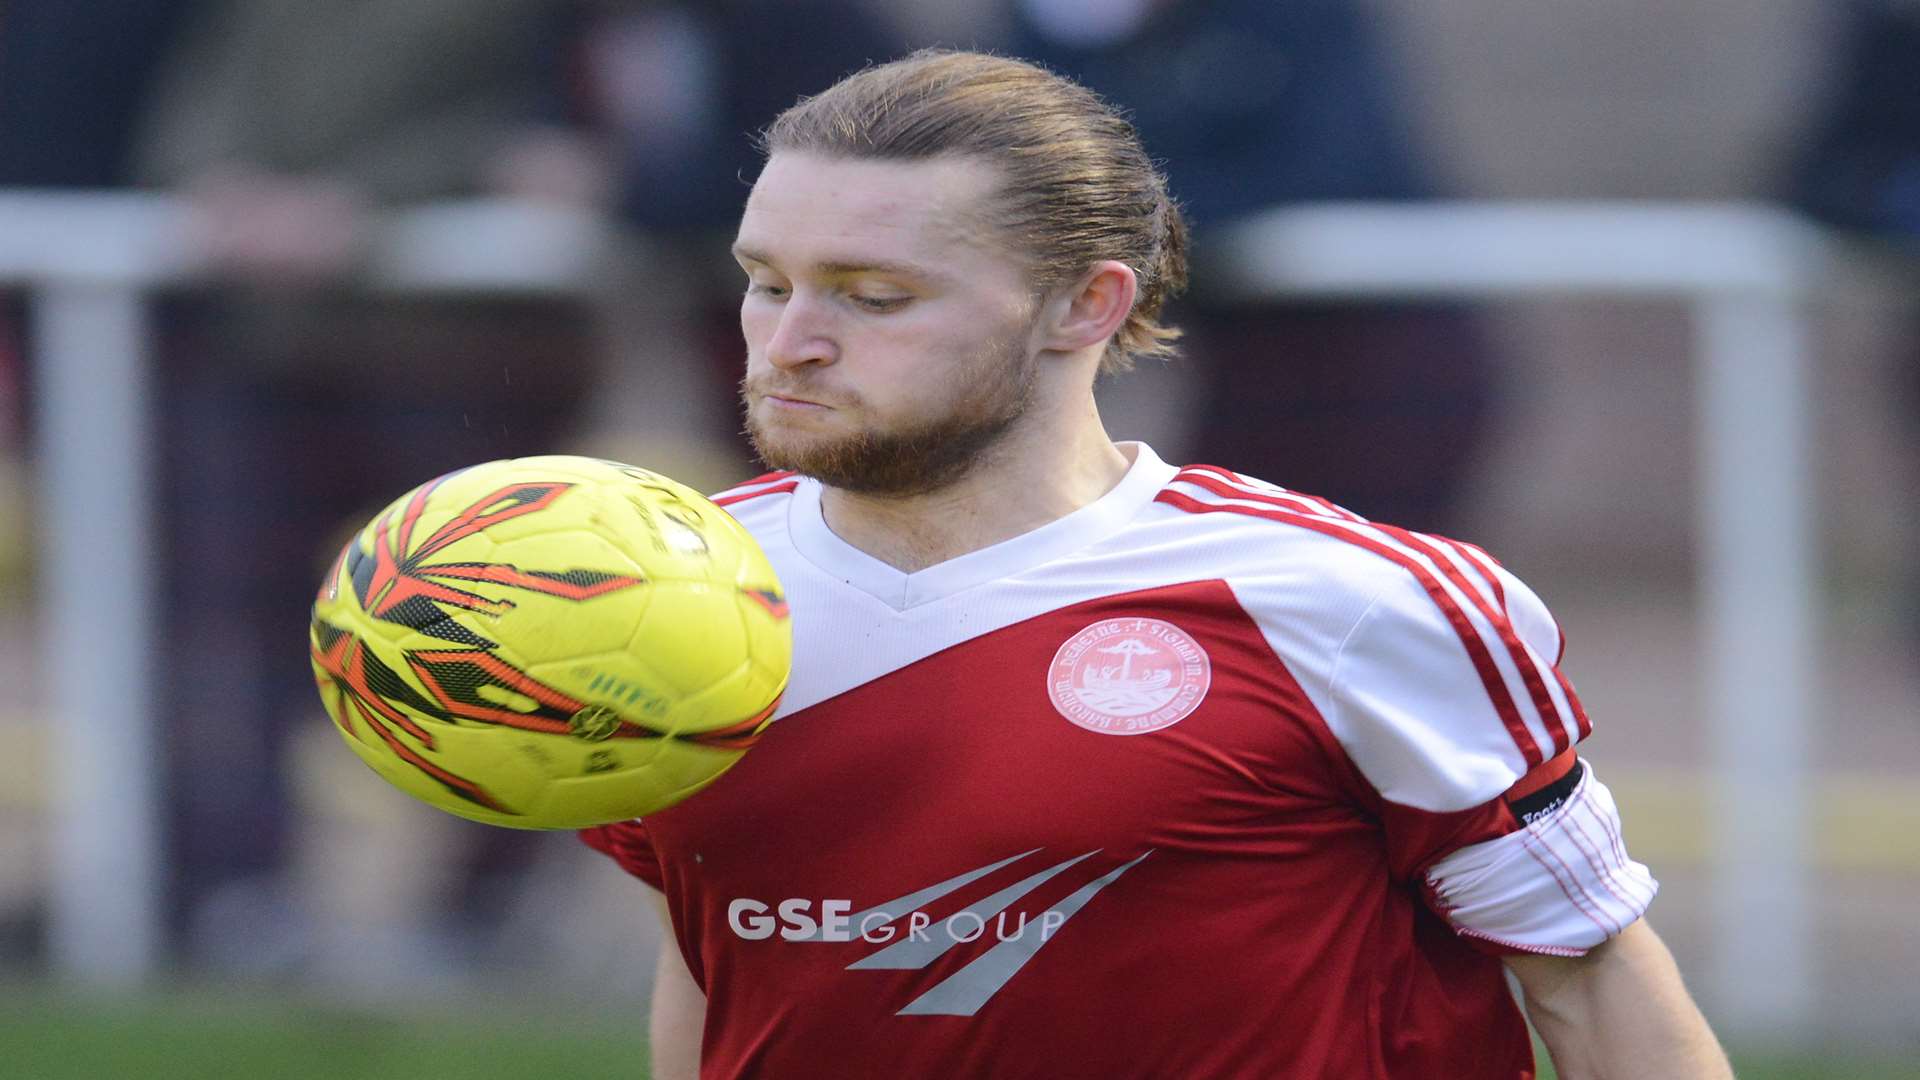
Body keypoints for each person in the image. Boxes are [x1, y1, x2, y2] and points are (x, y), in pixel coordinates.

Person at [581, 50, 1730, 1078]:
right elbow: (713, 954)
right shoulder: (672, 592)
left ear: (1086, 305)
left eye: (875, 296)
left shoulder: (1346, 601)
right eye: (767, 282)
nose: (790, 344)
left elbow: (1588, 982)